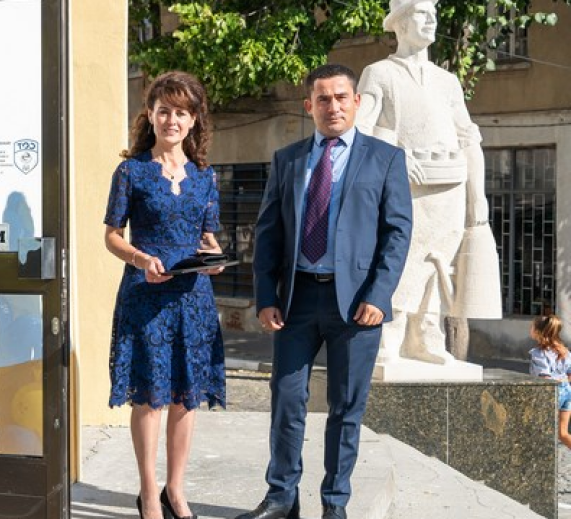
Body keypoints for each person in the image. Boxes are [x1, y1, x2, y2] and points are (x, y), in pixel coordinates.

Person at [239, 64, 412, 519]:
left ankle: (335, 503)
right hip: (296, 300)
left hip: (357, 306)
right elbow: (268, 232)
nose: (332, 106)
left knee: (345, 408)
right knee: (286, 399)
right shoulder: (288, 160)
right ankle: (281, 497)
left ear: (356, 102)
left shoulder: (385, 159)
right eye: (322, 99)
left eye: (340, 97)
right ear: (309, 106)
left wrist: (379, 294)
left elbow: (397, 233)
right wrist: (266, 295)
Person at [103, 70, 226, 519]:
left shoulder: (205, 176)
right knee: (150, 397)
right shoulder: (130, 171)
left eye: (181, 112)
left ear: (194, 120)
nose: (172, 120)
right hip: (146, 294)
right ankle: (149, 493)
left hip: (193, 299)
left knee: (184, 396)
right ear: (151, 116)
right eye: (164, 111)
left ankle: (176, 490)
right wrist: (140, 259)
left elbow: (208, 238)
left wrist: (214, 258)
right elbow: (111, 236)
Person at [356, 0, 501, 365]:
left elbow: (467, 138)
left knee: (440, 262)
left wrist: (477, 196)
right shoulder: (379, 73)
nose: (432, 20)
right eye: (423, 13)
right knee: (401, 258)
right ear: (401, 23)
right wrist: (395, 160)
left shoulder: (447, 81)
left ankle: (426, 336)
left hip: (450, 188)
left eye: (434, 14)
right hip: (405, 189)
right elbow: (361, 131)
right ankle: (388, 335)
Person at [529, 314, 571, 449]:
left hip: (552, 393)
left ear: (538, 332)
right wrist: (563, 381)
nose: (530, 329)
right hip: (568, 393)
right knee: (563, 434)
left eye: (532, 326)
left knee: (538, 432)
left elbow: (545, 378)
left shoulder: (538, 353)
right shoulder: (565, 351)